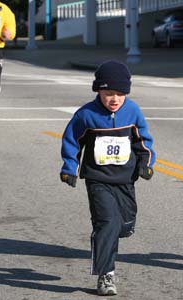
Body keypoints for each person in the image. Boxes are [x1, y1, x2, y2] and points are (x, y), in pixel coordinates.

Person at [60, 60, 155, 296]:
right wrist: (69, 167)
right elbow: (72, 142)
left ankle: (118, 230)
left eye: (119, 94)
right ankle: (106, 274)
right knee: (107, 223)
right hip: (97, 179)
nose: (114, 99)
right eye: (108, 93)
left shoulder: (132, 111)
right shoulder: (86, 115)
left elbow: (143, 141)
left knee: (123, 225)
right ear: (98, 91)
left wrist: (146, 164)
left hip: (125, 179)